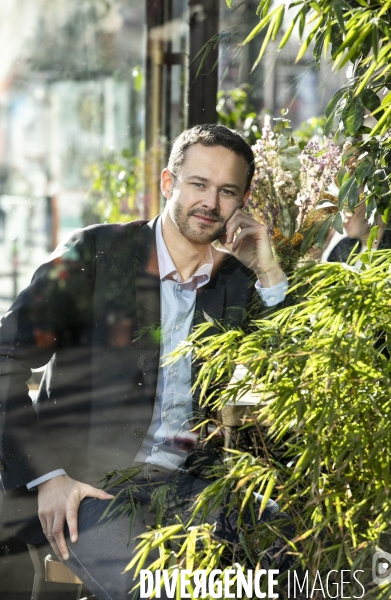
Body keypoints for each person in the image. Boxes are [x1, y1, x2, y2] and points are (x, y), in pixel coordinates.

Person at [0, 125, 288, 598]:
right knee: (163, 588)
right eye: (198, 184)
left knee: (297, 551)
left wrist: (270, 270)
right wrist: (48, 477)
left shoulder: (237, 282)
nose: (211, 203)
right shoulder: (93, 255)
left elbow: (296, 366)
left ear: (242, 201)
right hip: (87, 488)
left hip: (192, 487)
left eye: (227, 191)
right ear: (168, 183)